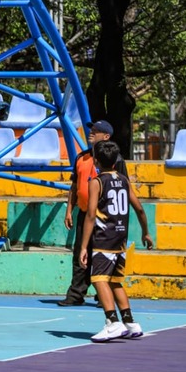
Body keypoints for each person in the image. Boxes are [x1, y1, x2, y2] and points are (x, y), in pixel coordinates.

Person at [80, 140, 153, 342]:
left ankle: (112, 322)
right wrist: (145, 232)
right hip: (120, 238)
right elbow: (139, 208)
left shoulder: (96, 182)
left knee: (98, 279)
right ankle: (130, 322)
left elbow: (91, 214)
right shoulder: (123, 180)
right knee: (115, 281)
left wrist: (84, 246)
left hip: (104, 237)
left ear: (95, 160)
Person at [58, 119, 128, 307]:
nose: (91, 133)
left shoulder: (116, 160)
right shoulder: (81, 157)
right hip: (84, 213)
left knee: (103, 255)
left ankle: (103, 296)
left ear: (106, 136)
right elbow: (74, 186)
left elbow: (123, 186)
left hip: (105, 217)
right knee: (80, 253)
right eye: (91, 130)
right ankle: (76, 294)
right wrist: (68, 210)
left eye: (96, 131)